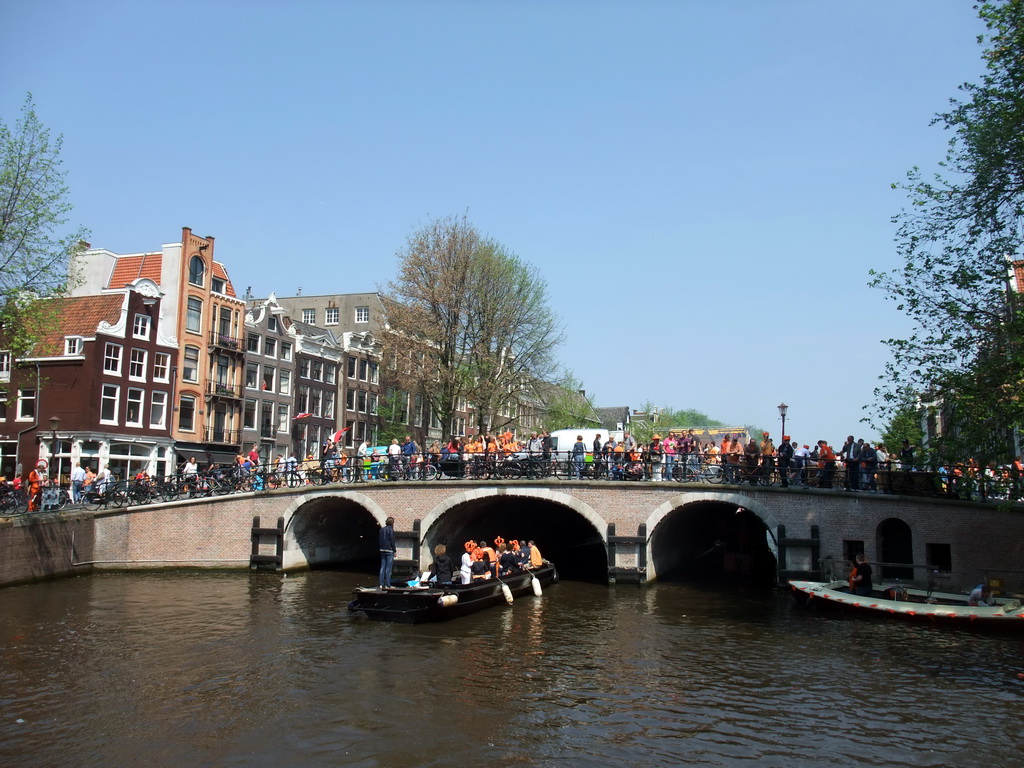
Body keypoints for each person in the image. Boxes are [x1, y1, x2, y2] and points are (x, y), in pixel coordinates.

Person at [378, 516, 397, 589]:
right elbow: (392, 540)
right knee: (388, 568)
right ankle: (388, 584)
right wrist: (394, 550)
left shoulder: (381, 530)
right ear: (392, 523)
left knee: (382, 567)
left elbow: (379, 540)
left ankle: (381, 584)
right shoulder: (391, 530)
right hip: (389, 550)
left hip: (382, 550)